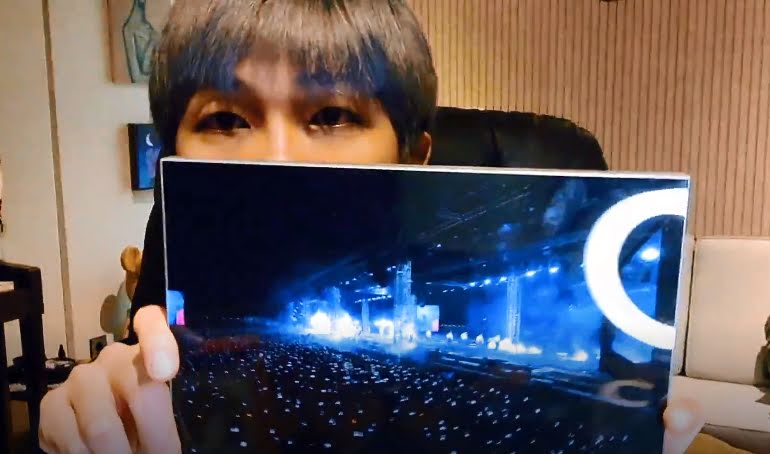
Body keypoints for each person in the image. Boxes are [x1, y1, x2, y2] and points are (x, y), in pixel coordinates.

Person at [38, 1, 705, 453]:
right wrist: (101, 422)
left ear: (413, 155)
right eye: (226, 120)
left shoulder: (471, 362)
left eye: (331, 115)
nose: (279, 160)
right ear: (173, 156)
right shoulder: (181, 368)